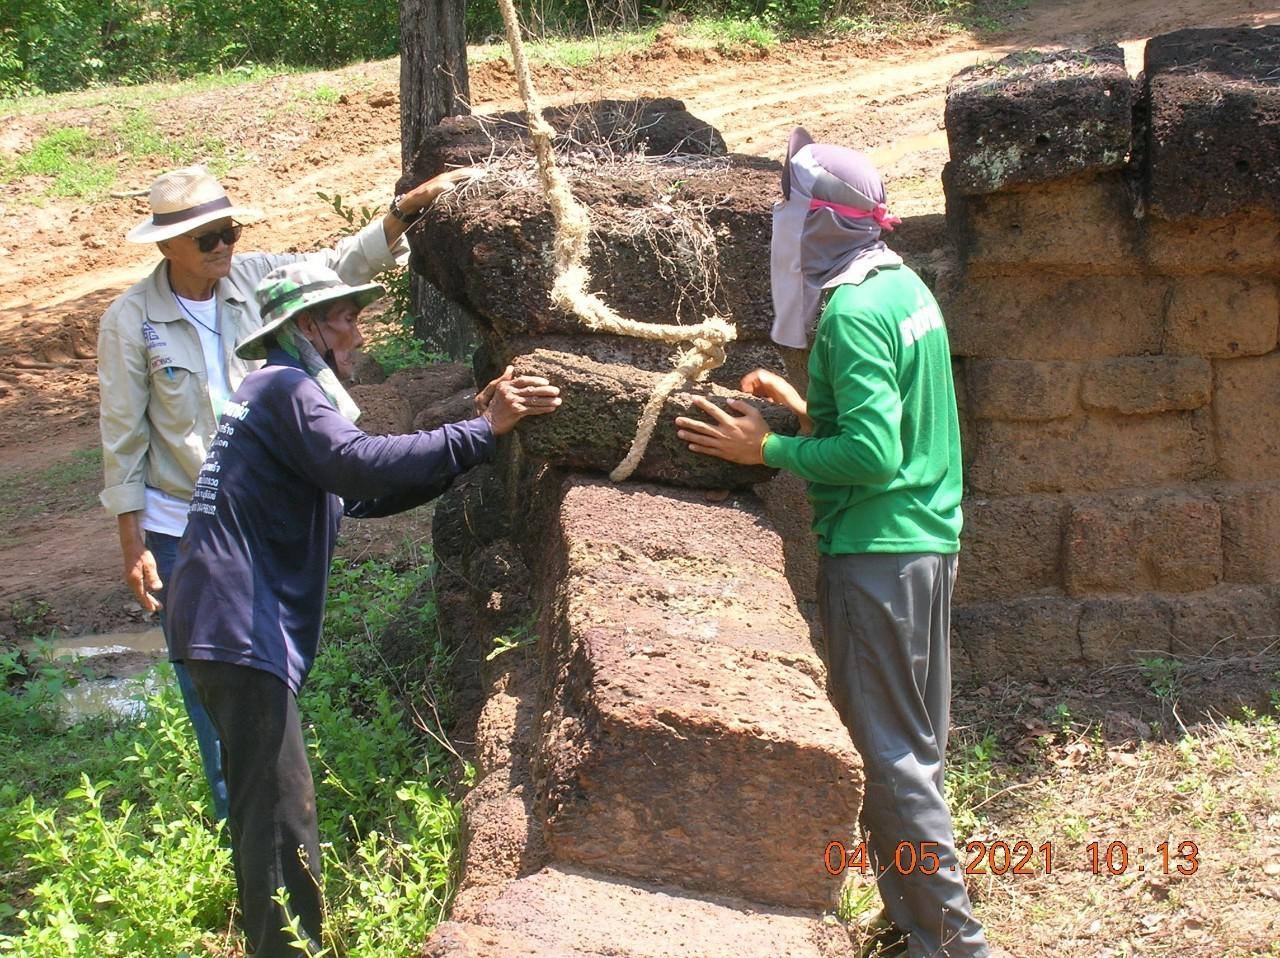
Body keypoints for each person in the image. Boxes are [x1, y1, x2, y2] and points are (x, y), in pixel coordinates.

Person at [164, 261, 560, 957]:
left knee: (270, 809)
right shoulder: (286, 385)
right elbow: (360, 465)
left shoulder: (274, 391)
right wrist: (482, 430)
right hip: (235, 623)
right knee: (282, 814)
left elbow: (362, 496)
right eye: (346, 319)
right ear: (307, 329)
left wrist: (475, 434)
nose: (358, 332)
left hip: (219, 622)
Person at [674, 128, 996, 958]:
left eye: (791, 206)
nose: (784, 220)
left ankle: (956, 945)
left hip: (878, 550)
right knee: (911, 745)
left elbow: (875, 455)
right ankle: (919, 922)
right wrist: (804, 406)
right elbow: (891, 426)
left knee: (889, 755)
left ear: (822, 222)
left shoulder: (850, 312)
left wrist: (768, 449)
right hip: (925, 542)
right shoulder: (900, 287)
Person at [96, 163, 474, 820]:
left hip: (261, 510)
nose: (222, 247)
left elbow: (337, 263)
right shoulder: (131, 322)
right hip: (184, 519)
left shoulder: (253, 279)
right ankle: (242, 831)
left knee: (265, 658)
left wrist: (404, 211)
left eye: (228, 231)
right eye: (206, 237)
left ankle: (278, 808)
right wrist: (135, 543)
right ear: (166, 245)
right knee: (214, 684)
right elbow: (124, 437)